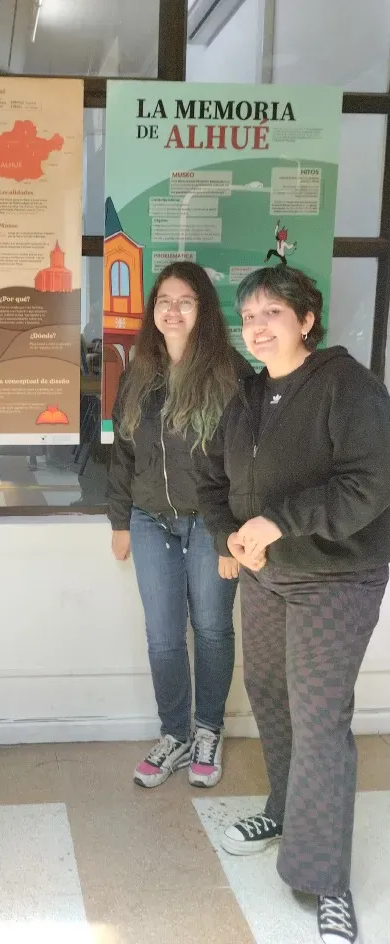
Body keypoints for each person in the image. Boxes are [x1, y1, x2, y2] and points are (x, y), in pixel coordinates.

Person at [197, 266, 390, 944]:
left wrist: (278, 520)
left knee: (319, 721)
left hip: (335, 578)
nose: (257, 326)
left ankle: (325, 880)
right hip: (267, 579)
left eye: (272, 312)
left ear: (306, 320)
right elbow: (210, 479)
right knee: (271, 697)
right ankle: (283, 809)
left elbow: (370, 484)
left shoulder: (347, 386)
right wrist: (227, 534)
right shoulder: (246, 394)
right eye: (248, 315)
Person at [107, 261, 254, 790]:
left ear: (203, 310)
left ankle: (208, 730)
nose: (172, 310)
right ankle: (175, 734)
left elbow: (246, 464)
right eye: (164, 300)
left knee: (212, 628)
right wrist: (120, 520)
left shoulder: (231, 373)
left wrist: (230, 536)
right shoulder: (139, 371)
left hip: (211, 526)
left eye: (185, 301)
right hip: (150, 521)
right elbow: (123, 452)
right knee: (164, 635)